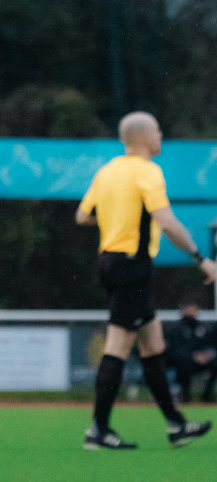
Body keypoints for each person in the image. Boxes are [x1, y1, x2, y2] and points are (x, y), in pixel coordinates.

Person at [75, 111, 217, 450]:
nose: (161, 135)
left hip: (111, 262)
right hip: (131, 266)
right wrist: (202, 259)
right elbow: (166, 222)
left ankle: (176, 425)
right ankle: (98, 430)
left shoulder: (107, 171)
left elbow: (83, 215)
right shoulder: (148, 171)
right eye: (157, 130)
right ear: (143, 138)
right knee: (117, 347)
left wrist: (115, 221)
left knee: (153, 346)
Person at [166, 294, 217, 404]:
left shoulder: (202, 327)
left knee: (214, 364)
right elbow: (175, 350)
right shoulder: (176, 328)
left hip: (200, 361)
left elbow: (207, 345)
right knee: (184, 365)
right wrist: (192, 356)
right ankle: (186, 398)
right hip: (183, 361)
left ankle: (207, 397)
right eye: (189, 310)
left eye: (194, 310)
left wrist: (206, 354)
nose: (191, 313)